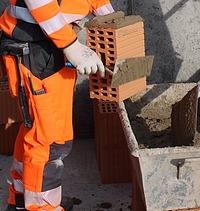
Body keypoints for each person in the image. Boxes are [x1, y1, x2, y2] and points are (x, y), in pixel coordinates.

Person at [0, 0, 114, 210]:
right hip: (38, 45)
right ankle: (43, 207)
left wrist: (113, 22)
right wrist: (71, 46)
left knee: (37, 131)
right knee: (49, 141)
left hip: (54, 43)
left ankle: (21, 200)